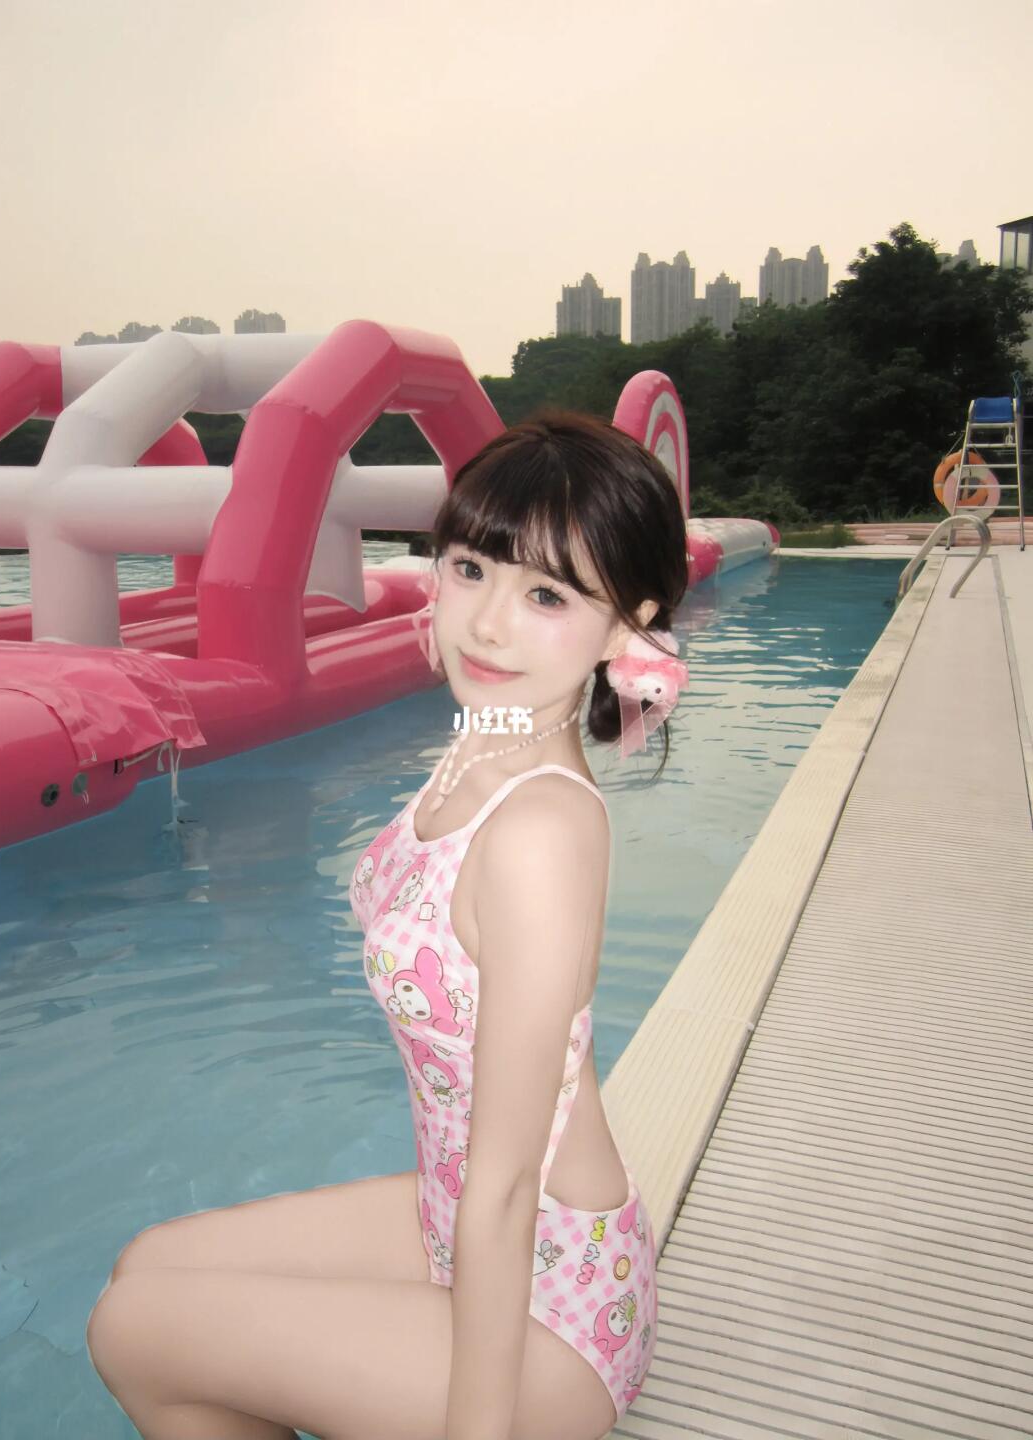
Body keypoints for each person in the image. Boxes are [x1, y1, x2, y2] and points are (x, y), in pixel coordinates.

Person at [85, 408, 690, 1440]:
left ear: (625, 624)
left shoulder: (540, 830)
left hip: (549, 1313)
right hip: (455, 1220)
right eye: (470, 570)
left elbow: (508, 1183)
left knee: (133, 1327)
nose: (486, 624)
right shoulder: (486, 737)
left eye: (546, 595)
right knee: (149, 1265)